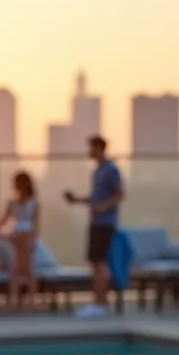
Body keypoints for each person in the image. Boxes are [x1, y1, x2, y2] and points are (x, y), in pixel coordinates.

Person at [64, 136, 125, 318]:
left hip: (106, 223)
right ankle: (96, 301)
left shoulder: (111, 170)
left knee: (100, 262)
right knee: (94, 262)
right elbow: (95, 197)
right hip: (95, 222)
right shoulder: (96, 172)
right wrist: (77, 200)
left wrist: (104, 207)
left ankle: (101, 303)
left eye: (91, 147)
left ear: (99, 148)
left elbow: (120, 194)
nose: (88, 151)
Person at [0, 172, 39, 311]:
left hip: (27, 236)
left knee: (28, 270)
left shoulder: (33, 203)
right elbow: (4, 220)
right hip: (16, 237)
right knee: (15, 269)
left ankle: (31, 300)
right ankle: (14, 300)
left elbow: (35, 224)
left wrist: (33, 241)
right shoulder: (12, 203)